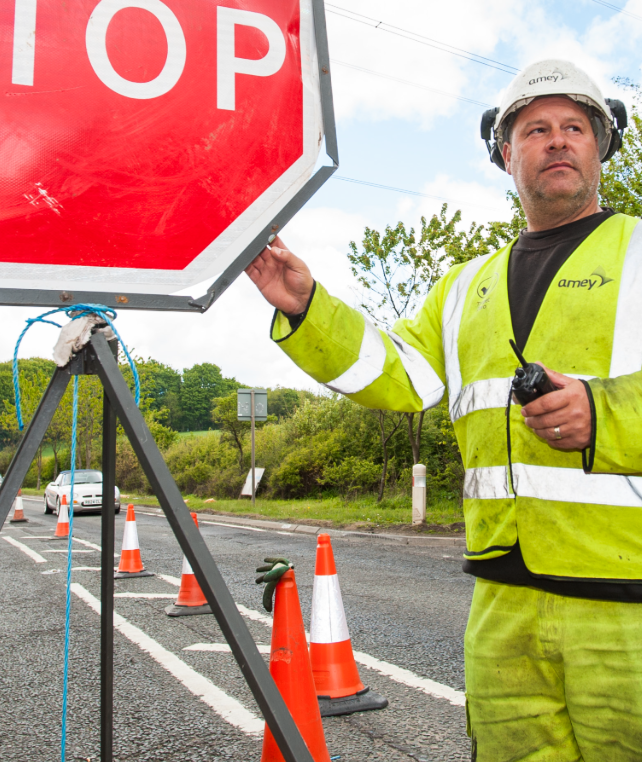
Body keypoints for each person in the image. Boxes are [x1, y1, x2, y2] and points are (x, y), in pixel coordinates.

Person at [246, 59, 642, 760]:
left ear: (600, 148)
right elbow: (397, 375)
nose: (558, 141)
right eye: (537, 129)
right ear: (504, 154)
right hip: (500, 603)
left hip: (628, 607)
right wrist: (309, 309)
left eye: (575, 128)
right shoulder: (463, 287)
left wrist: (606, 413)